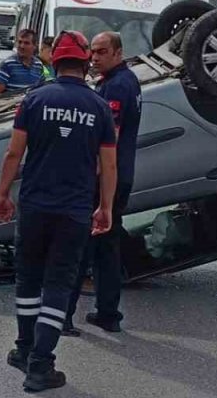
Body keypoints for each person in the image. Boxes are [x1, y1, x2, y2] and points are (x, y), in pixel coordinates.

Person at [0, 30, 115, 393]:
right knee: (58, 285)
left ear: (55, 62)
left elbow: (14, 154)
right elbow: (107, 165)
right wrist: (105, 206)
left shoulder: (34, 99)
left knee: (28, 281)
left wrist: (2, 194)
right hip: (74, 211)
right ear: (84, 63)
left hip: (33, 206)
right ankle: (40, 365)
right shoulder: (99, 107)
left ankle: (24, 348)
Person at [64, 32, 142, 334]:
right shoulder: (126, 80)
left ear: (118, 52)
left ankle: (65, 316)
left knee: (80, 246)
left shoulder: (117, 87)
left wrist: (90, 177)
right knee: (107, 248)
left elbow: (109, 139)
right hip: (121, 175)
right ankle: (108, 313)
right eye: (92, 52)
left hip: (104, 179)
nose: (94, 58)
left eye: (102, 52)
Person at [0, 28, 47, 95]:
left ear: (34, 46)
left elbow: (41, 89)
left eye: (26, 43)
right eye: (20, 42)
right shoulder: (7, 65)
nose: (22, 46)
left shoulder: (38, 65)